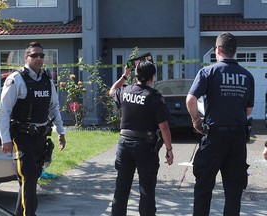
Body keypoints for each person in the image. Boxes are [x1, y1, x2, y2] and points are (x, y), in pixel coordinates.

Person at [186, 32, 255, 216]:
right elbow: (248, 111)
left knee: (204, 187)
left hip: (214, 136)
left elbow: (191, 100)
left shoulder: (208, 72)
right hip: (237, 138)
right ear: (235, 51)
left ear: (218, 49)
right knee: (233, 190)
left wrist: (196, 120)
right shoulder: (247, 76)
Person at [0, 42, 66, 216]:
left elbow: (54, 106)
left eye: (41, 55)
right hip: (22, 137)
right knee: (27, 177)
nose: (39, 59)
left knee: (31, 179)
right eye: (35, 55)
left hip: (40, 137)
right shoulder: (16, 79)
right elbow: (4, 111)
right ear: (26, 57)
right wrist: (5, 138)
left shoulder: (47, 79)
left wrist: (61, 131)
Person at [108, 59, 174, 216]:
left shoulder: (125, 91)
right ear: (152, 77)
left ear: (136, 75)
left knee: (121, 189)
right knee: (146, 190)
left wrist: (125, 75)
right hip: (145, 147)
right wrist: (169, 149)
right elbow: (163, 127)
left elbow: (111, 91)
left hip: (124, 145)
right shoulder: (154, 97)